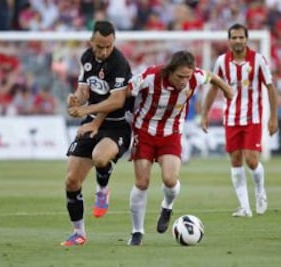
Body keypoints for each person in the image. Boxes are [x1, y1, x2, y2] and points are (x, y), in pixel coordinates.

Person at [125, 50, 233, 245]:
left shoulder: (195, 77)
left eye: (188, 76)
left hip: (171, 133)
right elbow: (125, 90)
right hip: (144, 132)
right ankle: (137, 232)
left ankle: (167, 206)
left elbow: (212, 76)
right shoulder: (150, 77)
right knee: (142, 183)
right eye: (180, 76)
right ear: (169, 71)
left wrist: (226, 89)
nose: (184, 81)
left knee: (170, 179)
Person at [60, 20, 132, 246]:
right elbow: (84, 90)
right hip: (91, 121)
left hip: (116, 124)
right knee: (71, 181)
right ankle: (78, 233)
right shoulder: (86, 58)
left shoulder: (119, 63)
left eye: (109, 46)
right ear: (91, 42)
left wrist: (86, 110)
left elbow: (117, 100)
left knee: (100, 157)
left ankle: (102, 190)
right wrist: (76, 99)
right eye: (100, 46)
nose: (104, 51)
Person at [201, 23, 278, 218]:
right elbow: (214, 88)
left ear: (246, 39)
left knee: (251, 160)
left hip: (252, 117)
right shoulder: (221, 62)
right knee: (235, 160)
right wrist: (205, 114)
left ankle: (260, 192)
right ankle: (244, 207)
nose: (237, 41)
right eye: (234, 37)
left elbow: (270, 88)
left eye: (241, 37)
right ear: (229, 41)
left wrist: (273, 117)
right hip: (231, 118)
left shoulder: (258, 60)